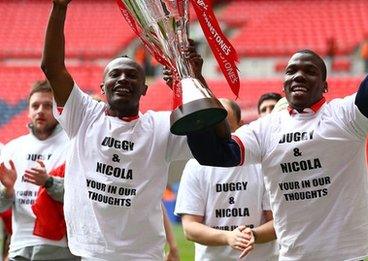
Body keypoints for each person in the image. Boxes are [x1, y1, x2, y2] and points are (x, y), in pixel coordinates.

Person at [185, 2, 368, 259]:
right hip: (293, 256)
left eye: (310, 71)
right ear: (284, 84)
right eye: (291, 71)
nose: (298, 76)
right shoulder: (265, 129)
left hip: (345, 256)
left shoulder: (344, 116)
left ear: (325, 86)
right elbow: (217, 153)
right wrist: (195, 84)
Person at [41, 0, 216, 259]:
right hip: (93, 253)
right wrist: (59, 8)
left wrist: (193, 80)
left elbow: (210, 133)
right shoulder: (84, 114)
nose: (123, 79)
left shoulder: (160, 126)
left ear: (145, 89)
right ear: (103, 87)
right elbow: (52, 68)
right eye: (116, 75)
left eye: (132, 76)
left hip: (143, 254)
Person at [174, 98, 277, 261]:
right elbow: (190, 227)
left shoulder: (261, 164)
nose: (217, 131)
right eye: (212, 124)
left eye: (224, 124)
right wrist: (228, 237)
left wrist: (254, 235)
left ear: (240, 125)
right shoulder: (195, 166)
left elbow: (277, 222)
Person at [0, 80, 76, 260]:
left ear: (58, 111)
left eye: (48, 105)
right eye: (35, 105)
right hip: (20, 245)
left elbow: (80, 195)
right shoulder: (13, 148)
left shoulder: (72, 146)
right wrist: (7, 190)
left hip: (59, 246)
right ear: (28, 111)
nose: (40, 110)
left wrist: (49, 182)